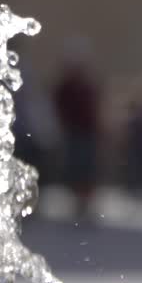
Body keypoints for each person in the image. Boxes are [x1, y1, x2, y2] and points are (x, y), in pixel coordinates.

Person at [54, 50, 100, 220]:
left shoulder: (86, 86)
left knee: (86, 167)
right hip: (73, 133)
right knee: (76, 167)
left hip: (86, 133)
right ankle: (78, 201)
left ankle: (85, 202)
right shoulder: (66, 88)